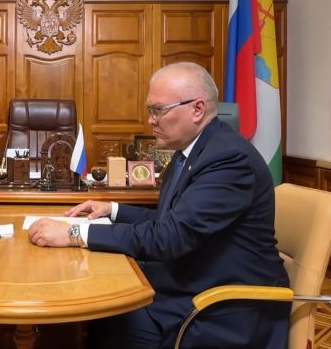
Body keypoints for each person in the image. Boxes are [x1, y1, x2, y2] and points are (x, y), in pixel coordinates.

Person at [28, 62, 290, 348]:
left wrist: (74, 234)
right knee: (99, 305)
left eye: (158, 110)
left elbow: (170, 237)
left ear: (197, 109)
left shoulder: (228, 159)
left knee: (105, 312)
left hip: (221, 310)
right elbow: (171, 220)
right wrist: (113, 210)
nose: (151, 120)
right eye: (150, 110)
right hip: (188, 284)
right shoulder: (191, 150)